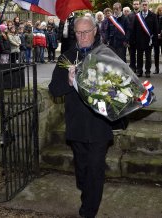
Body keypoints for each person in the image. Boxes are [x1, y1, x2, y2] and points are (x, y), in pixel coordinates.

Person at [48, 16, 113, 218]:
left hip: (99, 125)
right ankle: (87, 193)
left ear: (95, 31)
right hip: (76, 125)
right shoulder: (66, 57)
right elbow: (54, 90)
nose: (83, 36)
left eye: (86, 31)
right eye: (78, 32)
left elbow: (121, 89)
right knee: (83, 171)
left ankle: (88, 212)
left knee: (95, 170)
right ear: (74, 33)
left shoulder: (107, 56)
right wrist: (68, 82)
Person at [131, 0, 158, 78]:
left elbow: (155, 29)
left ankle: (148, 71)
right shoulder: (137, 16)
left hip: (148, 40)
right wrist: (133, 40)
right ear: (141, 6)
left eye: (146, 5)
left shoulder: (153, 15)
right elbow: (134, 29)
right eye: (143, 5)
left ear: (148, 6)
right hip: (139, 40)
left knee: (148, 57)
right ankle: (139, 71)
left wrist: (154, 41)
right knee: (139, 57)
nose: (144, 6)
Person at [127, 0, 141, 72]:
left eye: (137, 4)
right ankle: (133, 67)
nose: (136, 5)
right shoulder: (129, 15)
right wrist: (128, 39)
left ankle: (139, 68)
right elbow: (128, 28)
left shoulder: (142, 14)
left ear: (139, 5)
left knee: (139, 54)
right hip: (131, 38)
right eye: (134, 4)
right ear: (132, 5)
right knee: (132, 54)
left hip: (140, 38)